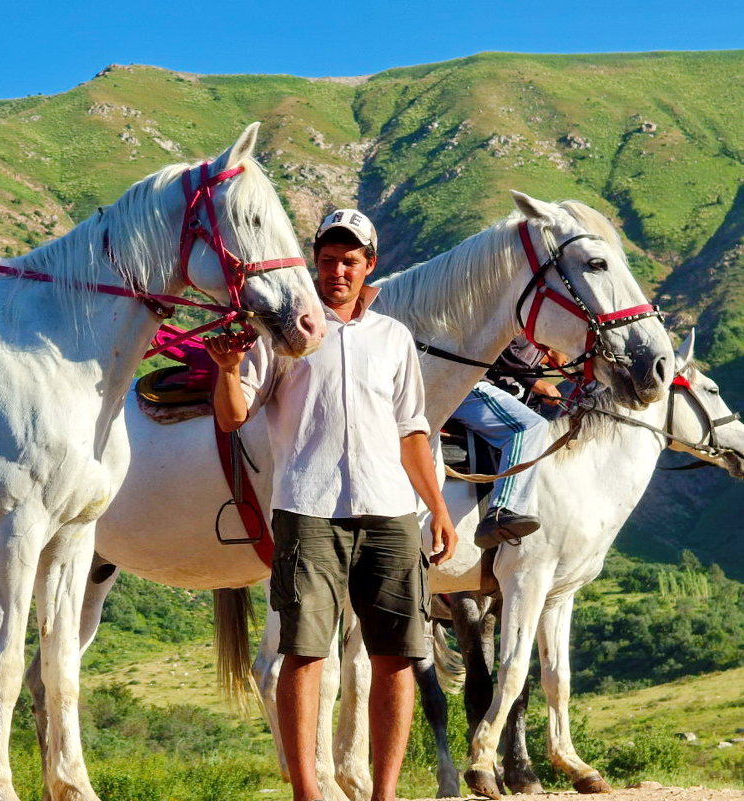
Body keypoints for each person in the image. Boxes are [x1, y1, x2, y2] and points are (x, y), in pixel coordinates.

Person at [206, 208, 457, 801]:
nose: (336, 271)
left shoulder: (393, 337)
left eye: (349, 261)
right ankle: (307, 793)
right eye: (326, 260)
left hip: (391, 512)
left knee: (396, 656)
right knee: (304, 650)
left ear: (370, 266)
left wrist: (437, 508)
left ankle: (385, 794)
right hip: (307, 509)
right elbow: (232, 415)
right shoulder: (283, 334)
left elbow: (412, 432)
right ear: (313, 264)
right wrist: (228, 369)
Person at [451, 334, 560, 548]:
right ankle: (501, 513)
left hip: (470, 384)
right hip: (468, 382)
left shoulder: (532, 352)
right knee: (530, 426)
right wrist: (536, 383)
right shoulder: (523, 326)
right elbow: (499, 344)